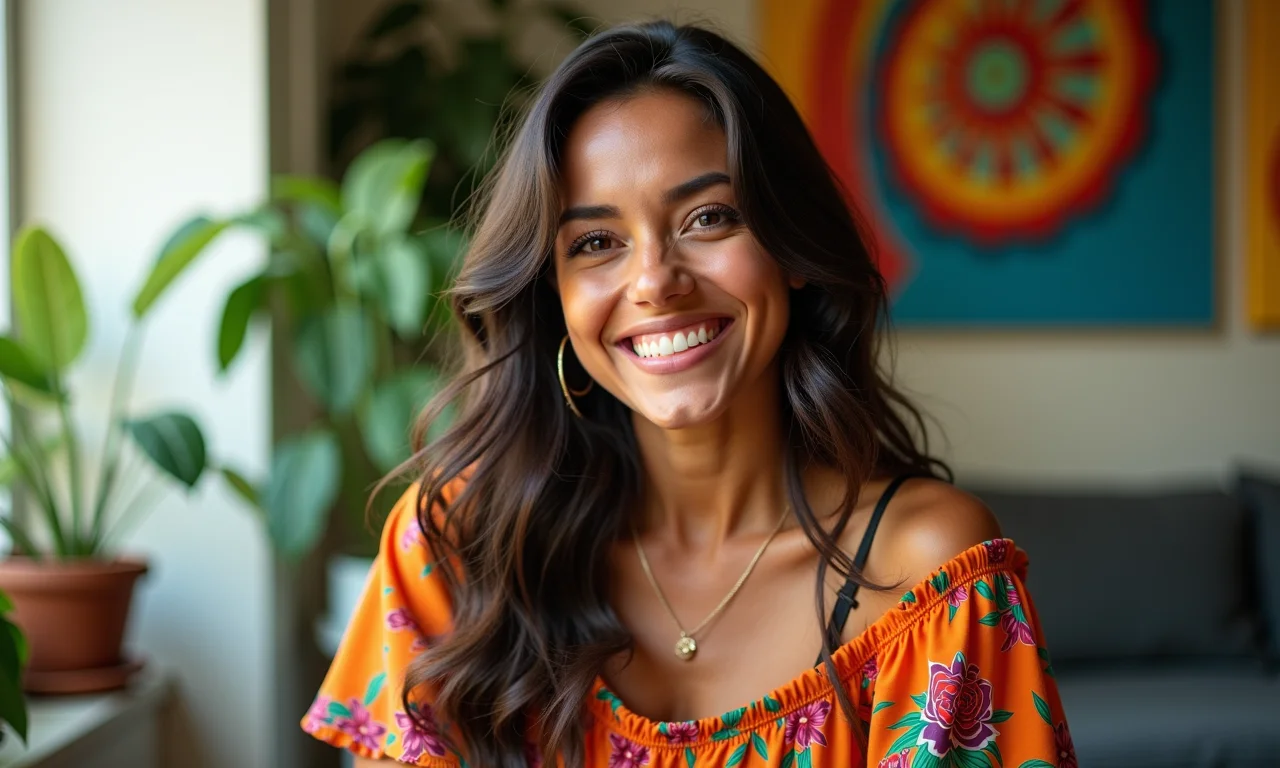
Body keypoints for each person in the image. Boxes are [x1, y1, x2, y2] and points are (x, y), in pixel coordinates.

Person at [301, 19, 1074, 768]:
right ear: (553, 294)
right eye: (596, 242)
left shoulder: (929, 575)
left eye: (709, 218)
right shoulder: (456, 548)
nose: (655, 283)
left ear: (791, 248)